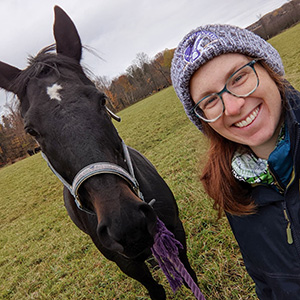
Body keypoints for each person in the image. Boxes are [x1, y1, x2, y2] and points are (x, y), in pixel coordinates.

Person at [171, 24, 300, 299]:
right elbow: (264, 281)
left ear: (268, 68)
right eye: (209, 100)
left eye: (239, 78)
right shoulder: (231, 184)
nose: (232, 107)